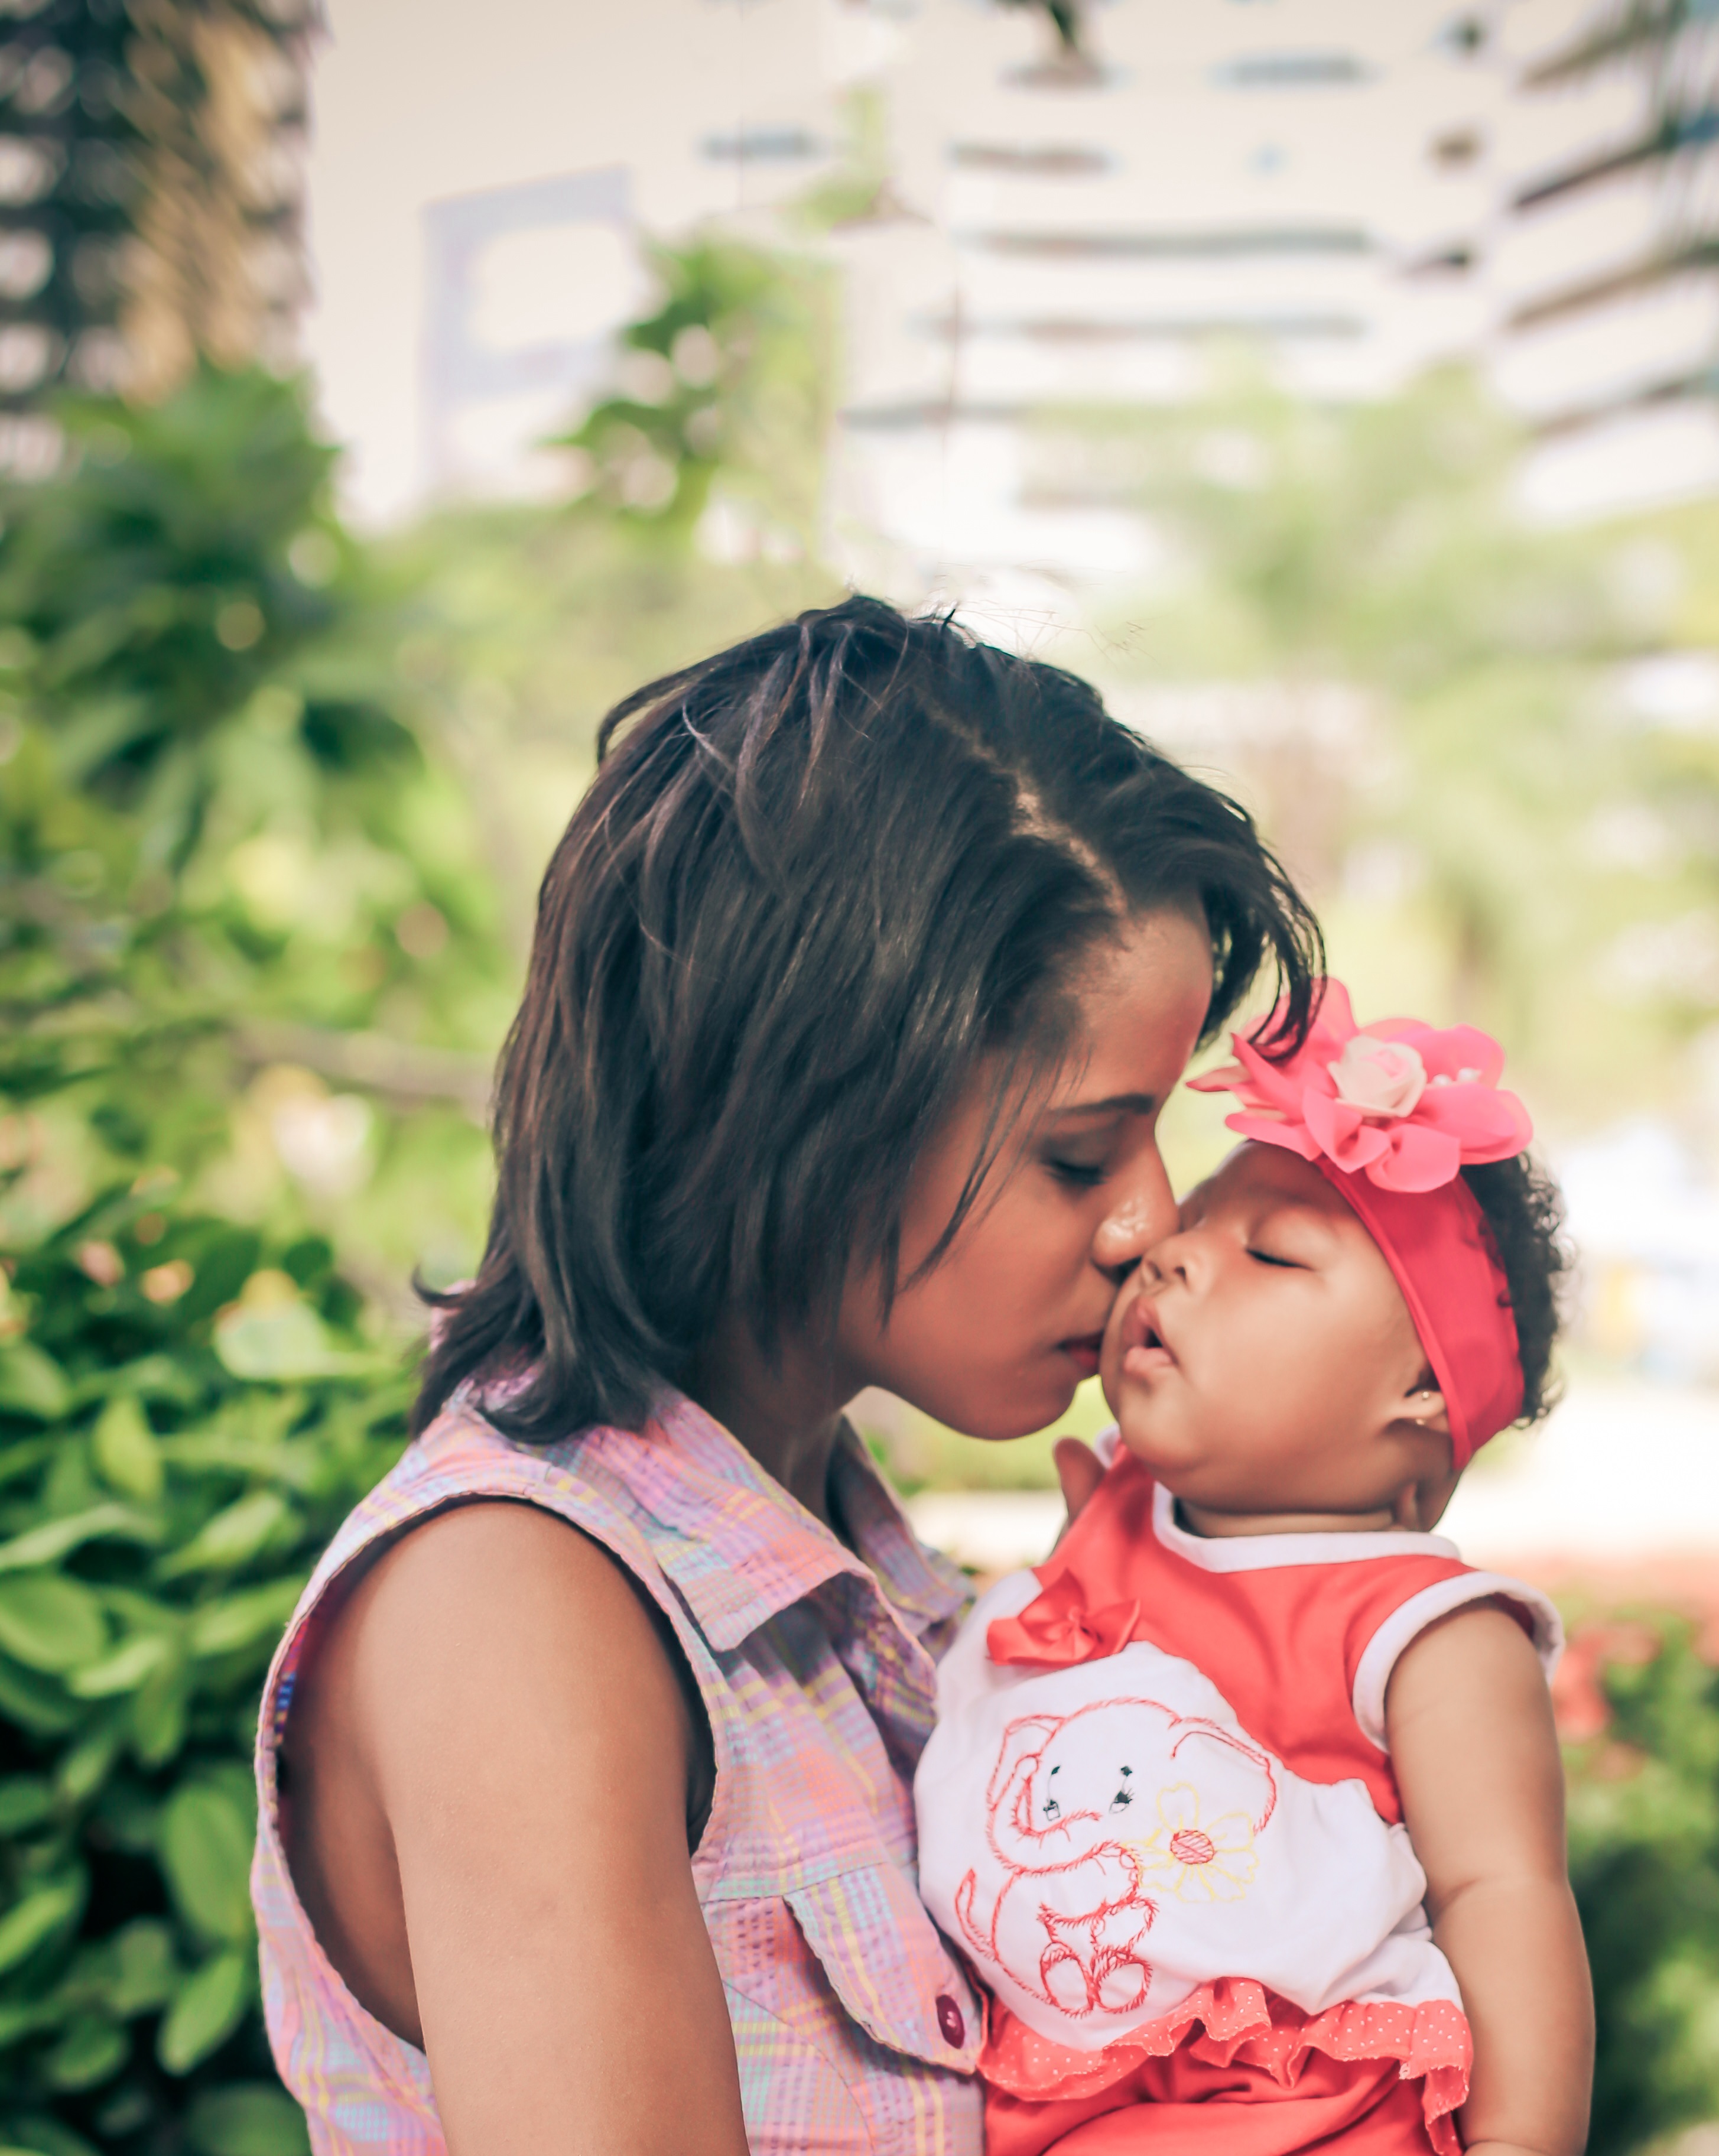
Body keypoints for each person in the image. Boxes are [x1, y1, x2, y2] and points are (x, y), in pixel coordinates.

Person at [247, 598, 1321, 2156]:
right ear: (802, 1105)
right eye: (1080, 1152)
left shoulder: (864, 1607)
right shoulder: (525, 1610)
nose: (1151, 1219)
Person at [915, 979, 1593, 2156]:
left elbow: (1505, 1892)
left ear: (1423, 1393)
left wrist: (1520, 2143)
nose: (1172, 1261)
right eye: (1196, 1226)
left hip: (1301, 2109)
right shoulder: (1115, 1518)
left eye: (1272, 1254)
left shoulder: (1426, 1628)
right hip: (1047, 2097)